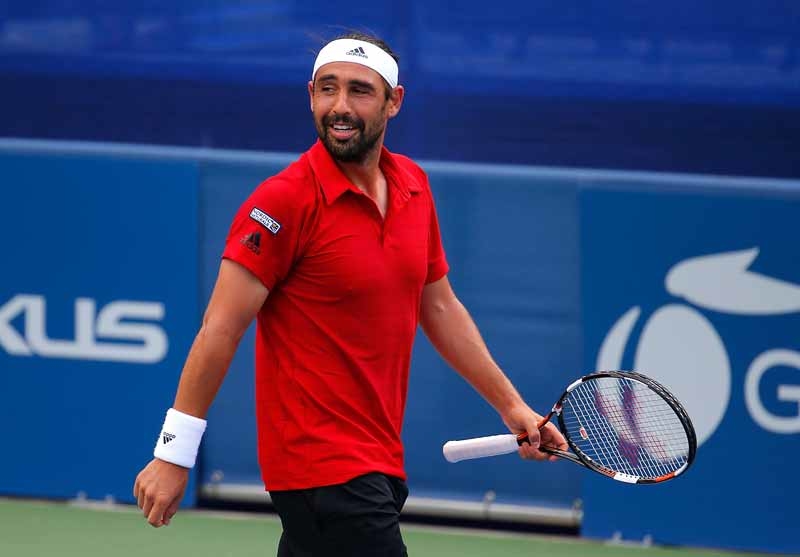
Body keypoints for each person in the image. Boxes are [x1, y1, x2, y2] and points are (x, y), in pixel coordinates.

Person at [133, 31, 568, 556]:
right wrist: (174, 452)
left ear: (393, 102)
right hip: (320, 468)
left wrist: (512, 406)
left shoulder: (413, 185)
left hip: (377, 458)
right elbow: (220, 329)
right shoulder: (281, 201)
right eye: (328, 88)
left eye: (359, 91)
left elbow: (438, 306)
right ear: (311, 95)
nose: (340, 106)